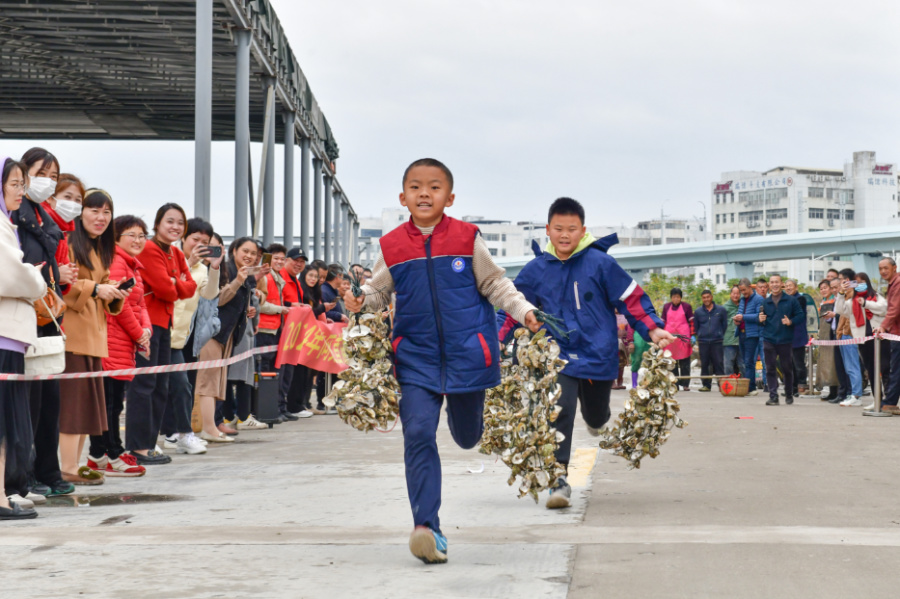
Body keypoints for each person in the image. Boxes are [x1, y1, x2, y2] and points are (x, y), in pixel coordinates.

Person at [343, 158, 546, 565]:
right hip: (415, 357)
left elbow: (495, 284)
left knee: (468, 436)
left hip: (468, 355)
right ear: (403, 197)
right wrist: (360, 301)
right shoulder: (393, 246)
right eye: (416, 186)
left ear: (449, 197)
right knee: (417, 432)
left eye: (434, 187)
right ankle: (427, 527)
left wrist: (524, 311)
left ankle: (465, 423)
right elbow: (379, 294)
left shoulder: (467, 238)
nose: (424, 193)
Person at [514, 196, 672, 509]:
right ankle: (558, 482)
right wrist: (493, 341)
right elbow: (512, 306)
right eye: (558, 228)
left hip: (599, 355)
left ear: (582, 230)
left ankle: (596, 416)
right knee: (559, 410)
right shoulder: (535, 270)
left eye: (571, 229)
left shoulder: (600, 264)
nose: (564, 235)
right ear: (548, 229)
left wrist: (652, 327)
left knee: (596, 416)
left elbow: (630, 298)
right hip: (558, 354)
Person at [11, 148, 76, 499]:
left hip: (47, 314)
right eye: (41, 173)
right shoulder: (13, 215)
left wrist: (57, 277)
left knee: (50, 399)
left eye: (54, 175)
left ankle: (46, 471)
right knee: (29, 402)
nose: (47, 181)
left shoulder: (44, 216)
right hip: (24, 316)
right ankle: (26, 474)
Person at [57, 189, 127, 484]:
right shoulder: (70, 243)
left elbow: (99, 286)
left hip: (94, 334)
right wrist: (97, 289)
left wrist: (114, 291)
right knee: (74, 406)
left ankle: (73, 464)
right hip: (73, 333)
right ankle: (68, 467)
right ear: (80, 212)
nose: (101, 218)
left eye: (106, 212)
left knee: (87, 406)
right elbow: (63, 283)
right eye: (94, 210)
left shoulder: (99, 247)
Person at [127, 203, 197, 465]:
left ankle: (150, 443)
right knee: (144, 385)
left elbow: (188, 289)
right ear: (157, 223)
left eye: (180, 223)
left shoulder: (176, 254)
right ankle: (138, 446)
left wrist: (173, 281)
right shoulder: (149, 249)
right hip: (147, 324)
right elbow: (168, 291)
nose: (175, 227)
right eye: (170, 221)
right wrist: (174, 282)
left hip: (164, 324)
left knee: (160, 386)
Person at [1, 156, 49, 519]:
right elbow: (12, 276)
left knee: (11, 419)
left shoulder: (8, 223)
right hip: (3, 336)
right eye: (15, 183)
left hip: (10, 337)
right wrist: (36, 277)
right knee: (5, 420)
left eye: (22, 184)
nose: (22, 191)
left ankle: (6, 490)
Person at [87, 215, 152, 477]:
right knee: (110, 403)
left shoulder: (133, 266)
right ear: (116, 239)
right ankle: (111, 453)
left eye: (141, 235)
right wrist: (139, 334)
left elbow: (141, 304)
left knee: (112, 402)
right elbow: (118, 308)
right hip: (112, 342)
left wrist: (146, 330)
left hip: (124, 342)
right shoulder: (115, 263)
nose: (138, 240)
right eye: (131, 235)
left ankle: (101, 453)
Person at [162, 217, 220, 454]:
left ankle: (178, 433)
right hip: (162, 330)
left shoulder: (201, 268)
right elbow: (168, 286)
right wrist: (187, 261)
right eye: (195, 239)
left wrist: (214, 267)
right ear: (183, 238)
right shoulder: (169, 258)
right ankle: (173, 433)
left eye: (204, 242)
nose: (199, 245)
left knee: (181, 385)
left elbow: (209, 293)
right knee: (167, 385)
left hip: (182, 335)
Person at [195, 237, 259, 443]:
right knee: (208, 382)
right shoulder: (225, 270)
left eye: (253, 253)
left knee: (217, 383)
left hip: (228, 335)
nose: (249, 256)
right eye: (245, 251)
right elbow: (218, 299)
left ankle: (213, 424)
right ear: (234, 251)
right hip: (213, 333)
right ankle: (207, 428)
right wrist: (238, 281)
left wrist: (247, 310)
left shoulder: (246, 275)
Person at [837, 271, 888, 408]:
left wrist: (866, 303)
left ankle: (889, 400)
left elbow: (883, 308)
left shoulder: (876, 296)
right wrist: (841, 293)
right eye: (856, 283)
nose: (859, 285)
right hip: (863, 339)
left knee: (884, 368)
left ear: (867, 283)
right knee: (871, 369)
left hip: (879, 338)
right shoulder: (852, 301)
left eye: (862, 282)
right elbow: (840, 310)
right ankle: (877, 399)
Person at [759, 275, 804, 406]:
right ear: (769, 285)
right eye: (772, 282)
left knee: (787, 369)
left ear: (781, 284)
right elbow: (761, 320)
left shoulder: (790, 301)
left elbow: (800, 315)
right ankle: (773, 396)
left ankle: (789, 393)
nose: (774, 285)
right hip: (769, 339)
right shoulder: (765, 302)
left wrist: (791, 321)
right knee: (770, 368)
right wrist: (760, 320)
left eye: (777, 282)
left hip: (785, 339)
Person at [277, 247, 308, 421]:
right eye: (295, 260)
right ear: (286, 260)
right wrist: (292, 305)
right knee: (281, 371)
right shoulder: (280, 278)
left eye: (302, 262)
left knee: (288, 371)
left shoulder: (295, 280)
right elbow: (278, 301)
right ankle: (278, 406)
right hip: (282, 330)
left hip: (292, 332)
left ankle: (283, 406)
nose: (299, 264)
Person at [256, 243, 290, 375]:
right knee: (263, 368)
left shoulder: (276, 278)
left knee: (268, 368)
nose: (279, 262)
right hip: (263, 329)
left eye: (282, 259)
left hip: (272, 329)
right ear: (268, 258)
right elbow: (259, 304)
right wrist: (280, 309)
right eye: (276, 258)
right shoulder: (265, 277)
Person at [833, 269, 865, 406]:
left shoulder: (854, 293)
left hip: (850, 334)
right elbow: (838, 311)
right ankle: (853, 394)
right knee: (848, 367)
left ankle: (856, 395)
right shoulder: (845, 293)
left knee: (853, 366)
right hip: (843, 333)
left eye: (841, 279)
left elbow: (848, 313)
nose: (840, 282)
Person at [874, 257, 900, 414]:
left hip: (897, 334)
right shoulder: (893, 284)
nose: (883, 271)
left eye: (886, 268)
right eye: (880, 269)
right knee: (896, 368)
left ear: (894, 267)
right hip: (895, 332)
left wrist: (883, 326)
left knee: (896, 369)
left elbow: (895, 308)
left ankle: (888, 402)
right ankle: (889, 402)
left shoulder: (897, 283)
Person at [734, 278, 764, 396]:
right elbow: (740, 314)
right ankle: (748, 386)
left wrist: (743, 317)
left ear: (750, 287)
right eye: (741, 290)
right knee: (744, 362)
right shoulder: (742, 300)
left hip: (752, 334)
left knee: (749, 361)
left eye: (744, 290)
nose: (743, 293)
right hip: (741, 332)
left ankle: (751, 387)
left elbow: (759, 316)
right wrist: (737, 320)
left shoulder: (759, 299)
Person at [694, 289, 727, 392]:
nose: (706, 299)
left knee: (719, 363)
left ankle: (721, 385)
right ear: (702, 299)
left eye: (708, 297)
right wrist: (700, 336)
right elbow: (696, 327)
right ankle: (706, 385)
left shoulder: (721, 310)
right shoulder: (698, 312)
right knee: (705, 364)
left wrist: (719, 334)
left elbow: (724, 325)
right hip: (703, 342)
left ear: (711, 297)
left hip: (717, 341)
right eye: (704, 297)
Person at [661, 288, 693, 391]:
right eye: (674, 297)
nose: (676, 299)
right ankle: (675, 384)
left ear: (681, 298)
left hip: (683, 338)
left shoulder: (686, 307)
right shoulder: (666, 307)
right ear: (671, 298)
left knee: (685, 362)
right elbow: (662, 322)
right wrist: (661, 336)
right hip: (670, 338)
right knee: (672, 362)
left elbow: (692, 323)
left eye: (678, 297)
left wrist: (692, 335)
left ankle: (685, 384)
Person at [783, 279, 809, 397]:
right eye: (786, 286)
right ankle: (791, 389)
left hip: (798, 336)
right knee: (789, 365)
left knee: (799, 364)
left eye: (790, 286)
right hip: (787, 337)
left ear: (796, 287)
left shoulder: (800, 299)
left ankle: (802, 386)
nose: (788, 288)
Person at [816, 279, 839, 400]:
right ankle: (831, 391)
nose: (823, 290)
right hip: (824, 336)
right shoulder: (822, 302)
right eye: (821, 288)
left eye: (825, 287)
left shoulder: (835, 301)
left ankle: (836, 392)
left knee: (834, 365)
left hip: (832, 335)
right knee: (826, 364)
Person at [722, 285, 743, 377]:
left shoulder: (743, 305)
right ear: (730, 294)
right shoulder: (725, 307)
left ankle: (746, 385)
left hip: (741, 340)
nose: (736, 295)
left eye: (738, 293)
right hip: (728, 340)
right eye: (734, 293)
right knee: (728, 364)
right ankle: (729, 384)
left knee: (743, 364)